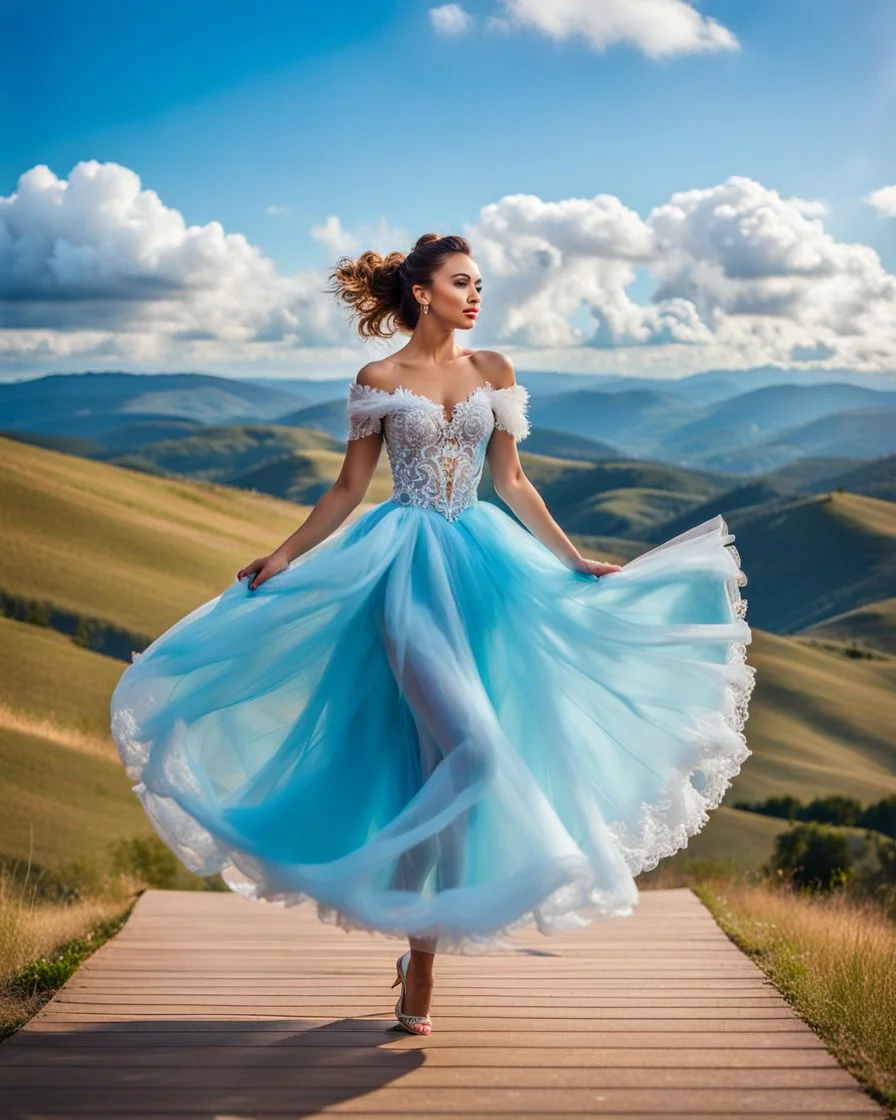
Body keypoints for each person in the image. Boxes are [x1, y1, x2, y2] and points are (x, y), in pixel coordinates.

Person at [110, 232, 756, 1038]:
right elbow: (350, 487)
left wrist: (573, 557)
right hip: (404, 572)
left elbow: (513, 480)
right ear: (423, 292)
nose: (476, 294)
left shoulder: (496, 372)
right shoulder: (379, 380)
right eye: (462, 282)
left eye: (480, 283)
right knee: (473, 753)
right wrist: (281, 554)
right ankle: (399, 900)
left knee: (433, 768)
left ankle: (421, 959)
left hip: (488, 575)